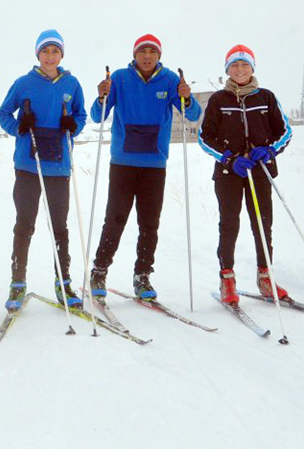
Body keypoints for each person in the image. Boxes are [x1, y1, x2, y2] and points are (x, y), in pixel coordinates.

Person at [88, 34, 201, 300]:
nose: (147, 56)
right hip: (123, 163)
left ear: (159, 56)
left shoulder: (172, 80)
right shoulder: (118, 77)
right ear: (135, 54)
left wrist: (188, 97)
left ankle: (142, 276)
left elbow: (193, 115)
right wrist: (101, 95)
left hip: (154, 164)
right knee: (114, 220)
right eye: (142, 51)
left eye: (152, 51)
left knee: (149, 224)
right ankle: (99, 271)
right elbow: (97, 115)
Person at [0, 30, 86, 311]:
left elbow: (81, 115)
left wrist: (74, 125)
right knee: (25, 224)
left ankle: (63, 281)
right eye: (45, 51)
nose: (50, 56)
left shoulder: (71, 83)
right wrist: (19, 128)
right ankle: (18, 281)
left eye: (55, 51)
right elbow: (2, 113)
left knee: (60, 226)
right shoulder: (23, 84)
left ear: (61, 55)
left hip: (58, 166)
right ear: (38, 54)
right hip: (28, 164)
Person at [198, 44, 292, 304]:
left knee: (262, 224)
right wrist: (228, 157)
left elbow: (285, 132)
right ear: (228, 70)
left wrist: (269, 151)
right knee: (229, 224)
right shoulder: (219, 99)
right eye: (234, 65)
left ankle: (265, 277)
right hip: (230, 172)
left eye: (244, 64)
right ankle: (227, 278)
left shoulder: (266, 97)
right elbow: (205, 138)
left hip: (260, 171)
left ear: (252, 68)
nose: (240, 70)